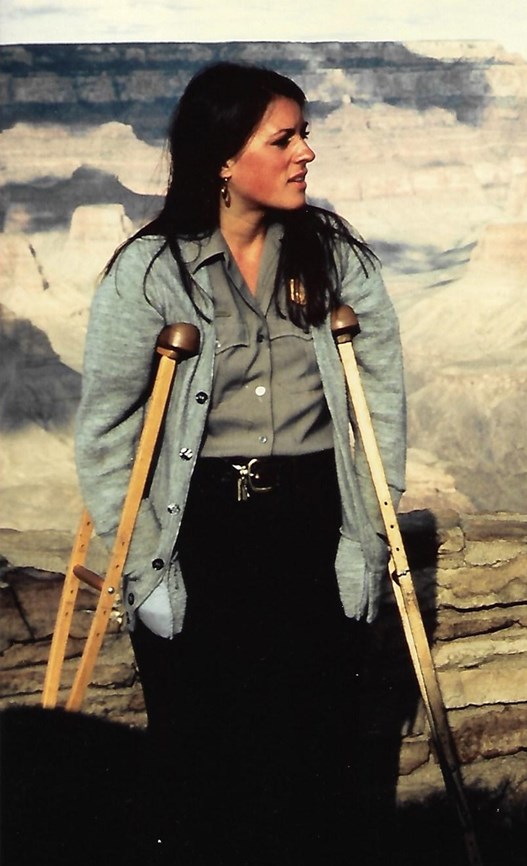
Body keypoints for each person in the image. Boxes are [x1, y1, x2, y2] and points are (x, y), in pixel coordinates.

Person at [75, 60, 406, 865]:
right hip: (202, 532)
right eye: (284, 138)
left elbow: (380, 406)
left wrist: (370, 535)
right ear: (225, 158)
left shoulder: (335, 260)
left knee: (318, 750)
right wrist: (141, 567)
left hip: (315, 521)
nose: (306, 154)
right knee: (203, 755)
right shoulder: (150, 273)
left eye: (306, 136)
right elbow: (110, 431)